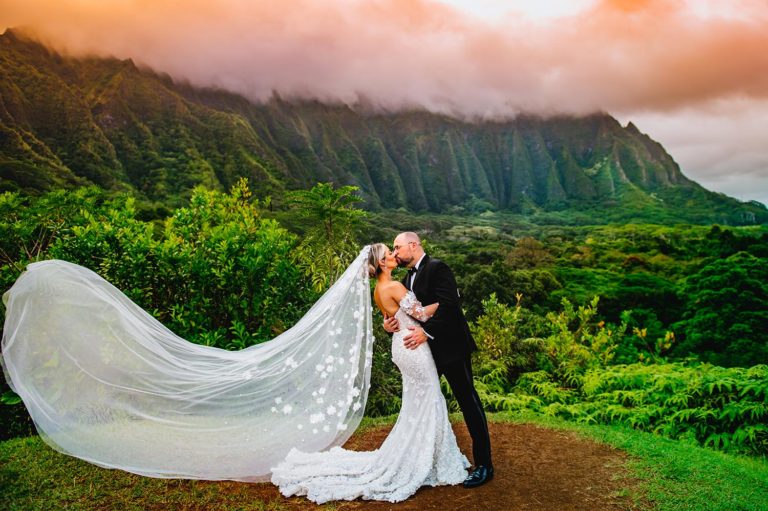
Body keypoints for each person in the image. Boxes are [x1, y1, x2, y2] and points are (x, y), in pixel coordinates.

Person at [271, 243, 469, 502]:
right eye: (389, 254)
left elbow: (393, 318)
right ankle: (424, 458)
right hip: (414, 348)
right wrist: (447, 301)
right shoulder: (395, 287)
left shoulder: (378, 290)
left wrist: (391, 324)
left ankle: (422, 453)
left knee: (416, 402)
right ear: (382, 264)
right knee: (429, 397)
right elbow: (420, 314)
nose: (393, 255)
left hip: (401, 345)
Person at [384, 232, 493, 488]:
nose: (395, 252)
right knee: (425, 403)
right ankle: (426, 461)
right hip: (426, 354)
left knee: (468, 402)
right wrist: (390, 325)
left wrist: (427, 332)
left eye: (398, 247)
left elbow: (450, 306)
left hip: (452, 348)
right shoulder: (405, 279)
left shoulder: (437, 267)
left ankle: (485, 465)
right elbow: (408, 313)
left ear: (414, 245)